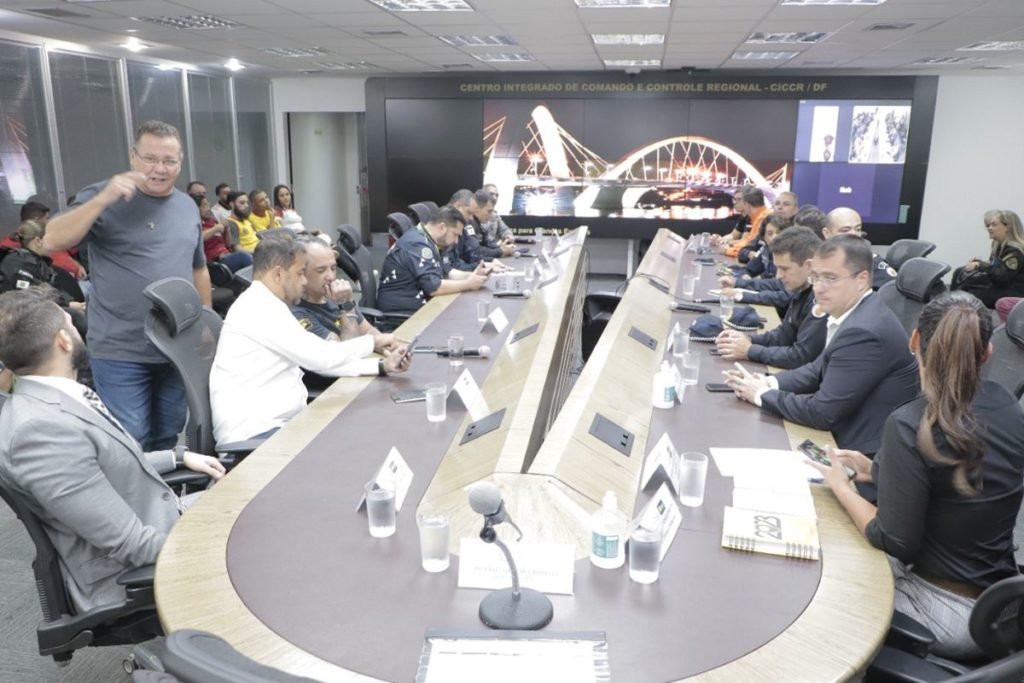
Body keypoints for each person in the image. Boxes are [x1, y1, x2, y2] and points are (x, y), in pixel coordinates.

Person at [819, 292, 1024, 658]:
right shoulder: (1009, 406)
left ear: (914, 340)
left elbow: (895, 540)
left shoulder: (909, 423)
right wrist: (880, 472)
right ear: (987, 353)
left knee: (826, 578)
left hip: (944, 611)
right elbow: (960, 488)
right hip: (999, 606)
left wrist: (842, 487)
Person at [0, 289, 224, 612]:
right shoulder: (39, 431)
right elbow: (130, 545)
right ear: (63, 341)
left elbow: (104, 466)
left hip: (160, 517)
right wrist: (221, 546)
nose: (80, 331)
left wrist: (176, 456)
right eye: (73, 326)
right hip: (131, 570)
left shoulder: (56, 397)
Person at [41, 120, 211, 451]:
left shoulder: (186, 206)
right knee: (130, 440)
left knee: (168, 438)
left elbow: (199, 268)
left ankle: (168, 503)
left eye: (169, 161)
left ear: (180, 162)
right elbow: (51, 240)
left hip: (176, 346)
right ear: (133, 156)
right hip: (121, 349)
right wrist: (103, 199)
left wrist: (204, 321)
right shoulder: (103, 197)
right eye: (150, 159)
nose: (159, 169)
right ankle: (133, 504)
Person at [724, 235, 919, 455]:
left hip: (860, 453)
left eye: (830, 278)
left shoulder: (864, 330)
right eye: (816, 277)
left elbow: (822, 412)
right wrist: (768, 381)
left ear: (862, 279)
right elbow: (817, 369)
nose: (819, 288)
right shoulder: (856, 312)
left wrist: (761, 394)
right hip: (843, 433)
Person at [210, 238, 410, 446]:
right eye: (299, 273)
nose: (304, 281)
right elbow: (322, 358)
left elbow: (317, 357)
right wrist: (372, 342)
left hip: (282, 426)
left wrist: (380, 365)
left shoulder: (268, 304)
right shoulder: (259, 310)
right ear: (278, 274)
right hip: (258, 437)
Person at [716, 227, 826, 370]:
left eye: (785, 269)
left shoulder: (823, 297)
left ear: (809, 266)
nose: (778, 276)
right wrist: (747, 339)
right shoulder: (801, 287)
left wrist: (750, 350)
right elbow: (784, 336)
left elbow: (801, 357)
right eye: (777, 268)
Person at [376, 205, 489, 315]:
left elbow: (447, 273)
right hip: (402, 315)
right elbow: (434, 287)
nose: (456, 241)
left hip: (420, 308)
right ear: (442, 227)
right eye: (455, 234)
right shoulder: (417, 244)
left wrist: (472, 276)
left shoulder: (430, 241)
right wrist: (468, 284)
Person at [292, 237, 396, 350]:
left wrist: (386, 345)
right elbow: (344, 353)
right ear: (301, 272)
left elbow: (368, 330)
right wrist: (346, 306)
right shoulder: (298, 312)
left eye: (333, 268)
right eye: (321, 271)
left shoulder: (334, 295)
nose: (331, 277)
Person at [951, 209, 1024, 308]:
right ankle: (948, 308)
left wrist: (980, 265)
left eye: (994, 225)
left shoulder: (1015, 251)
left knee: (967, 296)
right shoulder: (997, 244)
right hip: (1000, 286)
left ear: (1007, 227)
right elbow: (995, 265)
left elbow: (1002, 278)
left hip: (1013, 292)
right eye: (988, 225)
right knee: (960, 274)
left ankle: (954, 312)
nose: (989, 228)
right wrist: (981, 263)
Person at [823, 207, 895, 290]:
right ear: (827, 233)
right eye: (845, 230)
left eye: (858, 229)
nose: (854, 235)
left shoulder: (874, 267)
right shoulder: (818, 263)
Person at [194, 193, 251, 273]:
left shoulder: (212, 221)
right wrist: (215, 229)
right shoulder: (194, 224)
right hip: (214, 263)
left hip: (226, 255)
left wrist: (227, 229)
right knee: (244, 257)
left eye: (208, 205)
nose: (208, 208)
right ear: (196, 208)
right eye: (204, 206)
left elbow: (227, 244)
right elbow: (198, 238)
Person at [723, 186, 769, 259]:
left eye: (739, 200)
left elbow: (751, 247)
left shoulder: (764, 219)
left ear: (746, 204)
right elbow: (747, 242)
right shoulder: (757, 218)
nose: (735, 203)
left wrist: (727, 250)